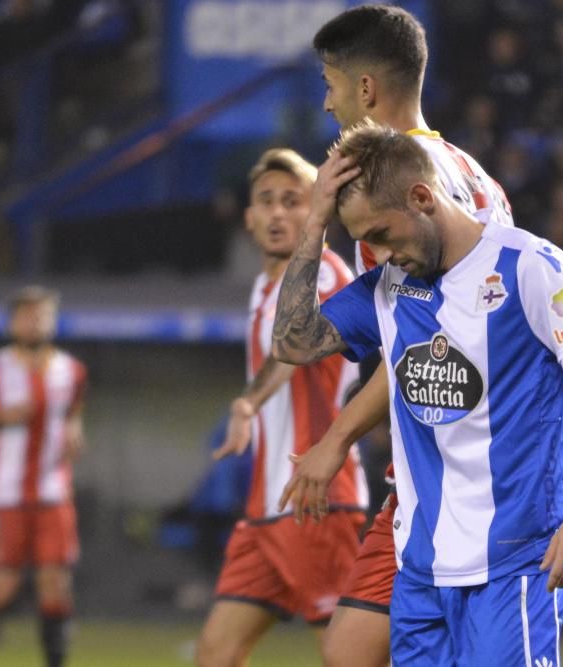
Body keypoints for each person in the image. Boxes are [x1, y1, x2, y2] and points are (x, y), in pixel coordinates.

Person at [272, 122, 563, 665]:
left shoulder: (530, 267)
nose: (380, 253)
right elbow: (294, 341)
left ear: (422, 198)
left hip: (515, 561)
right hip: (421, 569)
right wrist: (315, 219)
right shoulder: (391, 286)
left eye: (384, 234)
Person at [277, 6, 514, 666]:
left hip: (457, 484)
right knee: (351, 649)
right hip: (463, 467)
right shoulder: (474, 174)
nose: (325, 104)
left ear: (366, 91)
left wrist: (336, 436)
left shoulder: (395, 197)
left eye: (329, 84)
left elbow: (423, 343)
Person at [193, 149, 367, 667]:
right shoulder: (266, 284)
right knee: (215, 655)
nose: (276, 214)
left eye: (292, 201)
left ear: (319, 210)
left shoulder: (326, 274)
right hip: (264, 507)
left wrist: (246, 403)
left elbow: (294, 353)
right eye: (265, 201)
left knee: (347, 657)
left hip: (315, 498)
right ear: (247, 217)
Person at [0, 287, 87, 667]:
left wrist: (76, 434)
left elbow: (72, 416)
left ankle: (56, 661)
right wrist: (0, 418)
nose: (35, 321)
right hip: (5, 494)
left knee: (55, 582)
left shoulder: (71, 370)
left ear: (53, 321)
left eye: (42, 315)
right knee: (3, 585)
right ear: (12, 321)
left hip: (54, 491)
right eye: (27, 314)